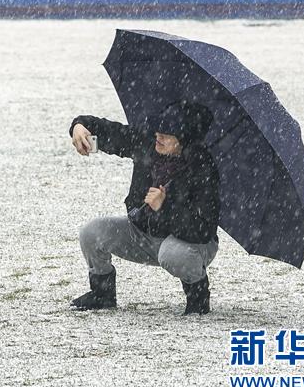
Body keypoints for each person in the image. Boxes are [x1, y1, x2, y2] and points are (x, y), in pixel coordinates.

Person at [68, 100, 219, 315]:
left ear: (184, 141)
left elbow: (202, 229)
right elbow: (112, 134)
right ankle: (102, 294)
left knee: (172, 254)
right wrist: (80, 126)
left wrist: (164, 207)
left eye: (166, 135)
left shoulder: (203, 168)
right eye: (159, 130)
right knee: (92, 232)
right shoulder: (147, 145)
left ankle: (198, 298)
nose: (158, 137)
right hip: (143, 234)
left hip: (189, 245)